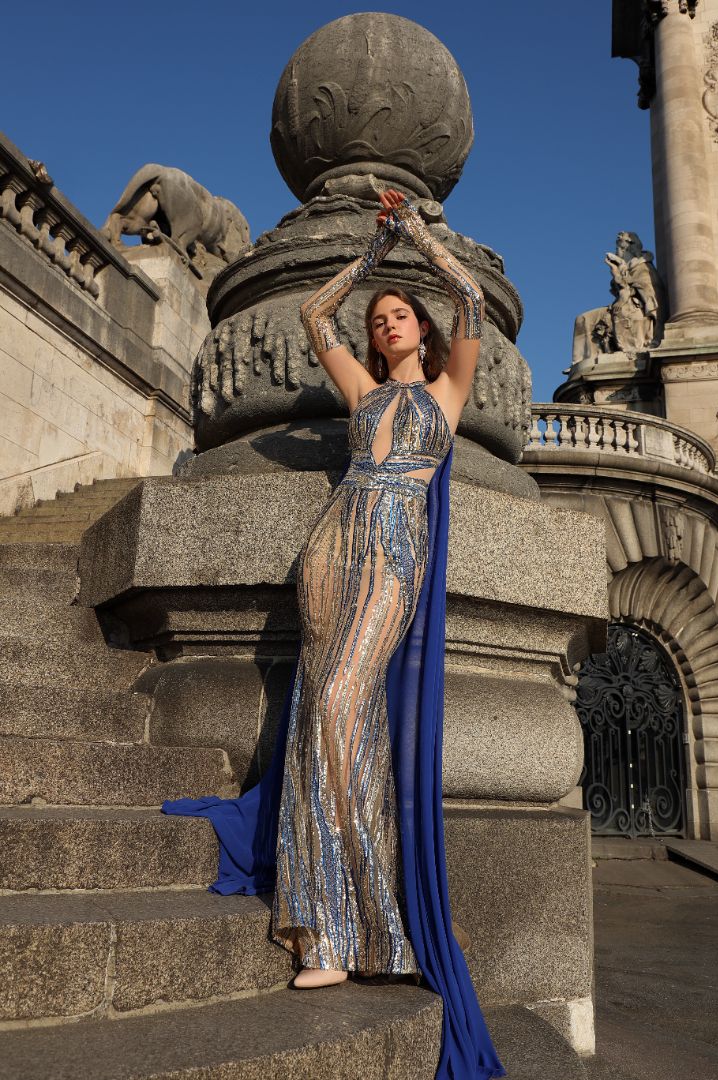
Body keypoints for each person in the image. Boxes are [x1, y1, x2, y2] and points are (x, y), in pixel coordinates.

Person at [162, 190, 506, 1079]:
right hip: (329, 551)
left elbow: (470, 299)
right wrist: (368, 260)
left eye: (399, 316)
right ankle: (326, 930)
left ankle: (374, 920)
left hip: (393, 553)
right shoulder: (360, 389)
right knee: (323, 717)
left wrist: (416, 238)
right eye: (380, 320)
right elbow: (316, 317)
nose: (387, 324)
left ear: (422, 332)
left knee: (345, 707)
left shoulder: (447, 391)